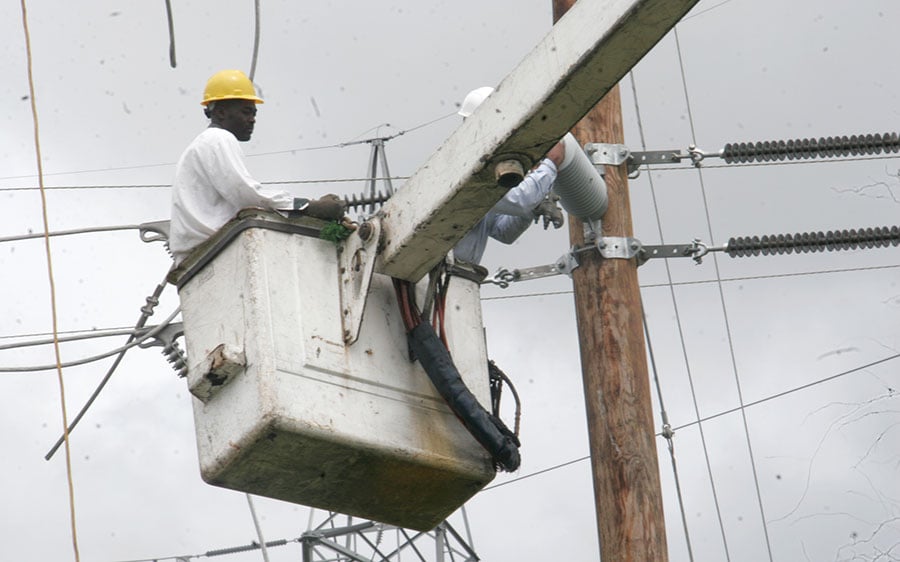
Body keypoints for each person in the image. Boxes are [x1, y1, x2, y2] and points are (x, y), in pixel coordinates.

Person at [169, 69, 342, 264]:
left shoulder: (201, 145)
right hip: (213, 251)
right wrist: (308, 206)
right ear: (221, 112)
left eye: (254, 113)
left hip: (200, 253)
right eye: (246, 112)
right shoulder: (218, 139)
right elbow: (245, 194)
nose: (252, 119)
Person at [453, 86, 565, 265]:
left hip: (462, 278)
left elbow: (502, 232)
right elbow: (520, 200)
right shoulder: (466, 169)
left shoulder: (491, 169)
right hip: (441, 278)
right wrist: (550, 164)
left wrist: (532, 209)